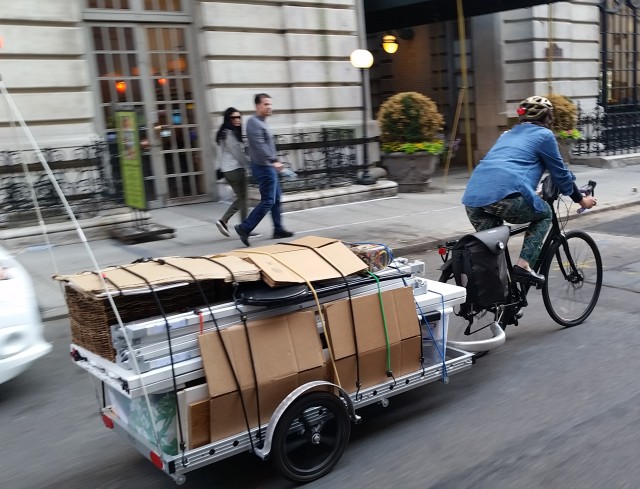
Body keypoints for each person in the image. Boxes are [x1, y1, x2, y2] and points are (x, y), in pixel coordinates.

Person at [461, 95, 597, 284]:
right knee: (545, 214)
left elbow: (508, 167)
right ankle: (523, 265)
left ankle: (499, 301)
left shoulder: (507, 135)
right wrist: (582, 201)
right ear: (547, 119)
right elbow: (561, 174)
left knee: (495, 250)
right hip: (505, 198)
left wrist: (530, 192)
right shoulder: (544, 136)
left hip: (473, 198)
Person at [234, 93, 294, 246]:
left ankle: (278, 229)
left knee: (276, 199)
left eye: (270, 104)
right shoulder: (253, 122)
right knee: (268, 200)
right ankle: (245, 228)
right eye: (266, 104)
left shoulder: (261, 122)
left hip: (268, 167)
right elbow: (260, 145)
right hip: (264, 167)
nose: (269, 107)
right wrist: (273, 160)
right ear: (257, 106)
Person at [214, 107, 251, 237]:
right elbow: (238, 154)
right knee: (244, 199)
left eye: (238, 117)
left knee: (241, 198)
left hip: (227, 170)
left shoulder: (224, 132)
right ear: (228, 119)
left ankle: (225, 221)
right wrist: (249, 166)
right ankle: (244, 227)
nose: (237, 120)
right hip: (235, 170)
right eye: (233, 118)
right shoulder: (229, 134)